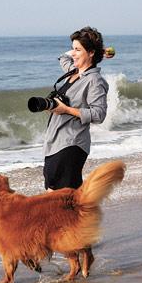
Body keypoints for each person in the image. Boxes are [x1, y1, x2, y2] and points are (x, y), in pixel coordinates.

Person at [43, 26, 109, 192]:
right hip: (55, 142)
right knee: (58, 197)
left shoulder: (95, 81)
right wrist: (97, 50)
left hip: (72, 144)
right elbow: (63, 57)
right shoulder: (73, 71)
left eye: (78, 50)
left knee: (61, 198)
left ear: (91, 52)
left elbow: (99, 114)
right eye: (73, 49)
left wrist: (66, 109)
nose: (73, 53)